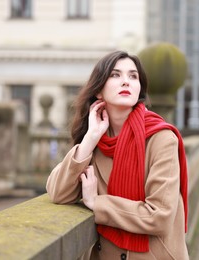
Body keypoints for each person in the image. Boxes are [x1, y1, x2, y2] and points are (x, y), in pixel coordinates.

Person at [46, 50, 189, 260]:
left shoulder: (162, 139)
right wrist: (90, 138)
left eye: (133, 76)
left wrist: (97, 203)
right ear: (98, 91)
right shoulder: (96, 143)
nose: (126, 82)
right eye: (115, 75)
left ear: (139, 88)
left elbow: (159, 216)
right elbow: (58, 193)